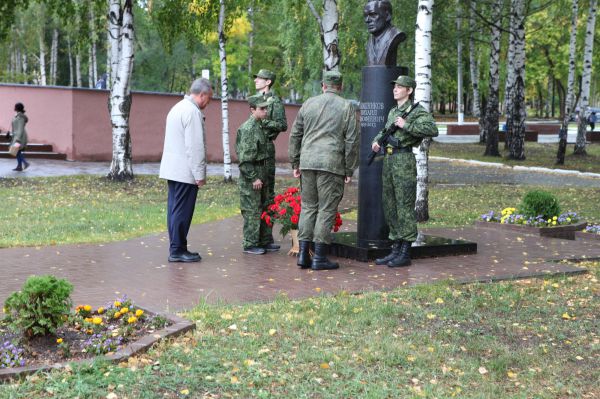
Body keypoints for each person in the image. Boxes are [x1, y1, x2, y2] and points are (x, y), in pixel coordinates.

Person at [289, 71, 359, 270]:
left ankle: (303, 255)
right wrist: (349, 168)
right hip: (332, 164)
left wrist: (295, 162)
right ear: (341, 87)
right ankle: (319, 257)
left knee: (309, 206)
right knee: (326, 209)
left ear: (323, 85)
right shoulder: (346, 107)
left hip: (308, 162)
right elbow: (352, 140)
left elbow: (295, 134)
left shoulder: (309, 103)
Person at [371, 75, 438, 267]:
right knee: (390, 204)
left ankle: (405, 252)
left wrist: (406, 125)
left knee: (404, 205)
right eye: (395, 86)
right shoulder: (394, 111)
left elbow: (432, 129)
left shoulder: (416, 112)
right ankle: (395, 249)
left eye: (400, 87)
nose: (395, 89)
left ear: (409, 91)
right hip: (389, 160)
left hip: (404, 160)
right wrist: (375, 141)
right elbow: (384, 131)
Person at [159, 78, 213, 263]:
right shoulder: (192, 112)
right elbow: (195, 146)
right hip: (185, 171)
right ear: (202, 94)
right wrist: (199, 174)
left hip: (173, 169)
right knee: (182, 211)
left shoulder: (177, 107)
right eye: (209, 98)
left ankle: (177, 247)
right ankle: (177, 250)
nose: (209, 102)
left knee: (174, 209)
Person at [254, 69, 288, 252]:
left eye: (259, 79)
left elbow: (283, 125)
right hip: (254, 148)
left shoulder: (275, 102)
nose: (256, 81)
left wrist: (264, 123)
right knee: (255, 194)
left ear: (268, 82)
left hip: (267, 148)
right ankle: (254, 237)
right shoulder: (255, 99)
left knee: (268, 195)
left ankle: (266, 237)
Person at [236, 96, 272, 255]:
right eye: (262, 109)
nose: (266, 111)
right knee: (252, 210)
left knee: (266, 206)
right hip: (253, 174)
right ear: (252, 110)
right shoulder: (248, 129)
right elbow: (244, 159)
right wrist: (253, 177)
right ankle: (250, 244)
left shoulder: (260, 126)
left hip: (262, 172)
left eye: (266, 108)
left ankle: (264, 240)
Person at [363, 0, 406, 66]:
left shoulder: (395, 35)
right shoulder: (370, 42)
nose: (367, 20)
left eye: (373, 15)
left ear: (387, 15)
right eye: (366, 16)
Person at [10, 102, 29, 172]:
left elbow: (20, 128)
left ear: (17, 108)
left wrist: (18, 139)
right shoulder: (18, 116)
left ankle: (25, 163)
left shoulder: (21, 117)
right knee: (17, 151)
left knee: (16, 151)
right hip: (17, 136)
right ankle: (19, 166)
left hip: (20, 137)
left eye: (15, 106)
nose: (14, 107)